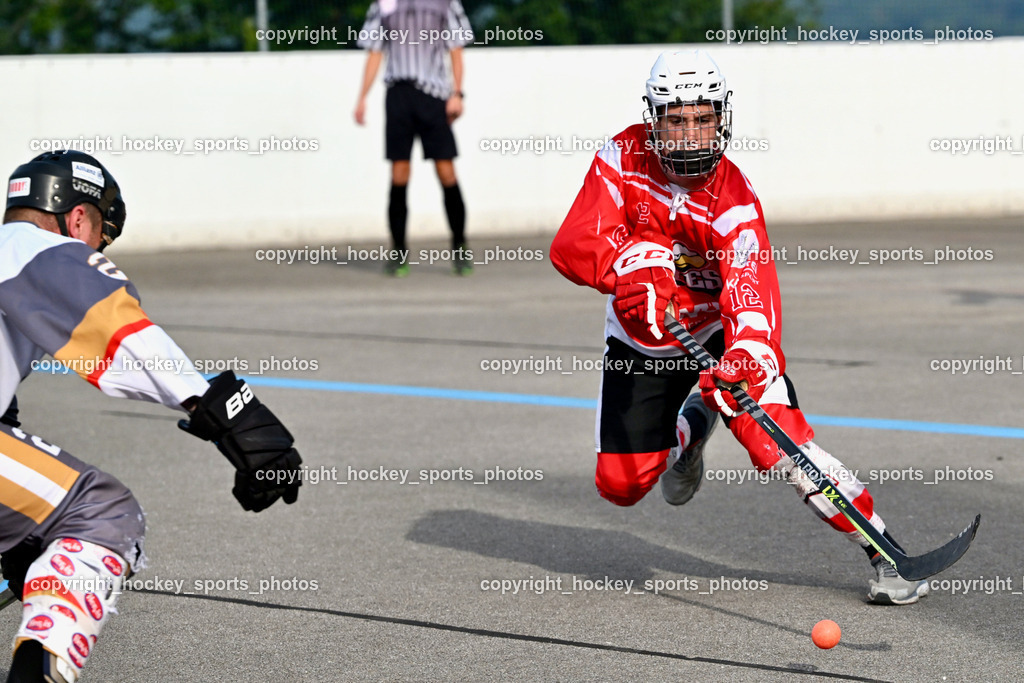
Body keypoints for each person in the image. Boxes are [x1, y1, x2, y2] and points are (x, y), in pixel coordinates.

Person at [550, 50, 928, 605]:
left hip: (718, 331)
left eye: (703, 118)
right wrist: (634, 267)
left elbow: (753, 301)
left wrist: (746, 359)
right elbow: (572, 244)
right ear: (653, 121)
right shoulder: (620, 157)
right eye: (676, 121)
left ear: (721, 117)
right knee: (622, 486)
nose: (692, 135)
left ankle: (885, 553)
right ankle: (691, 429)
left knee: (773, 439)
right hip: (642, 339)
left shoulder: (735, 201)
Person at [1, 150, 303, 683]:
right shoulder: (30, 247)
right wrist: (232, 417)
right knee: (100, 510)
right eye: (100, 234)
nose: (96, 248)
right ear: (76, 219)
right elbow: (119, 332)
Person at [354, 0, 474, 276]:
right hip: (398, 94)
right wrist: (362, 97)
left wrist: (457, 93)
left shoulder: (445, 3)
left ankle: (459, 246)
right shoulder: (383, 4)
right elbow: (375, 52)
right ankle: (398, 252)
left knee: (446, 171)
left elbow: (456, 48)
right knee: (399, 173)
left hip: (433, 96)